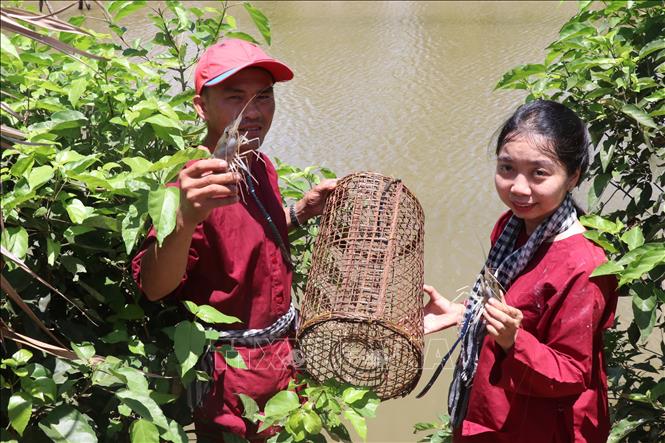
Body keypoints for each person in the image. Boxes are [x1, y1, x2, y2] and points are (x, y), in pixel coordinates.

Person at [131, 38, 336, 442]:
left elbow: (249, 244)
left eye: (264, 96)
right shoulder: (193, 186)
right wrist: (186, 218)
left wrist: (299, 212)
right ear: (200, 106)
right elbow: (155, 287)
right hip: (230, 373)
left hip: (285, 354)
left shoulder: (259, 165)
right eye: (234, 97)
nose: (254, 112)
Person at [421, 100, 618, 443]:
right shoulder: (512, 227)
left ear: (573, 176)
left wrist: (514, 341)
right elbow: (513, 309)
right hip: (492, 409)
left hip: (541, 427)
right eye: (507, 168)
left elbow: (572, 372)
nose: (519, 188)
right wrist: (463, 313)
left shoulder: (585, 267)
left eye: (539, 173)